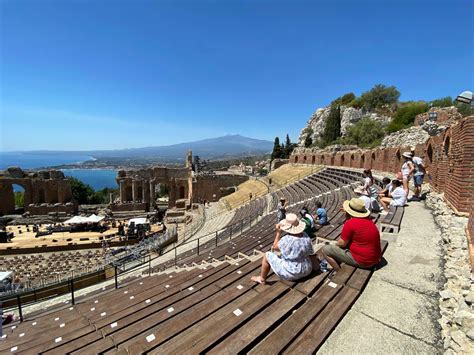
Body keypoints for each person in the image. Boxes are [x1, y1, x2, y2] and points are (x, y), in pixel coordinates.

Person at [251, 213, 320, 284]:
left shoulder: (286, 239)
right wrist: (317, 267)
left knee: (267, 255)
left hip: (291, 273)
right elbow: (311, 254)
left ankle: (262, 279)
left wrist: (278, 233)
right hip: (306, 270)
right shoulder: (306, 236)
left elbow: (275, 248)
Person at [321, 198, 381, 271]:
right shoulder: (369, 221)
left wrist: (334, 244)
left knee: (325, 249)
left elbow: (342, 243)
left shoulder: (350, 223)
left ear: (349, 212)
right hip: (375, 258)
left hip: (364, 261)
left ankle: (339, 272)